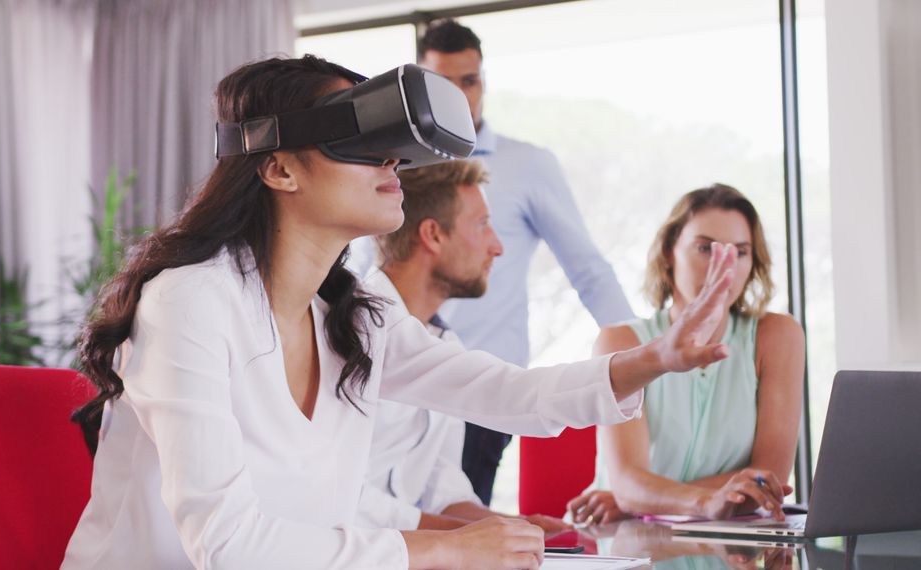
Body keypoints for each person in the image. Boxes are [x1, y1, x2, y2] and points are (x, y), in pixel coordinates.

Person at [61, 55, 741, 570]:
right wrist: (444, 549)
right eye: (358, 141)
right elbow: (230, 547)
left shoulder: (353, 319)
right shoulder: (192, 303)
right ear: (279, 170)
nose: (391, 160)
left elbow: (511, 393)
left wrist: (659, 357)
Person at [419, 19, 636, 505]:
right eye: (443, 85)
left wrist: (641, 355)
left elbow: (588, 268)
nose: (459, 96)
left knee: (461, 520)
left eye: (469, 82)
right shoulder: (397, 167)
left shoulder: (528, 165)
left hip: (486, 390)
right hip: (401, 379)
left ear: (484, 83)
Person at [567, 184, 804, 525]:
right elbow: (629, 484)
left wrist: (649, 499)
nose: (724, 266)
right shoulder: (620, 341)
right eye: (705, 248)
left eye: (740, 251)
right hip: (626, 540)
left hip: (727, 542)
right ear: (668, 253)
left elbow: (767, 480)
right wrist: (644, 499)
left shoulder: (778, 336)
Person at [356, 159, 567, 536]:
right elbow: (334, 492)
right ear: (433, 235)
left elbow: (441, 484)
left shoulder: (444, 343)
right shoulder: (348, 333)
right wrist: (458, 535)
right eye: (483, 224)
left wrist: (515, 526)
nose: (498, 247)